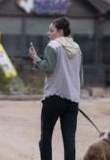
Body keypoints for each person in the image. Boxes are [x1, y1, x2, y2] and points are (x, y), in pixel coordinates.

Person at [29, 16, 83, 160]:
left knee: (46, 136)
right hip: (72, 100)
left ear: (60, 31)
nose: (49, 33)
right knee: (69, 139)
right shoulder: (77, 48)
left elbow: (48, 67)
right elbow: (80, 76)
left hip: (54, 97)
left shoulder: (53, 46)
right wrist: (74, 92)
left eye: (51, 30)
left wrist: (35, 58)